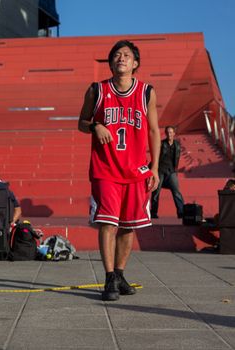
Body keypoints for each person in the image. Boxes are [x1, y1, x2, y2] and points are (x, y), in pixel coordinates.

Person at [78, 40, 160, 301]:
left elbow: (154, 131)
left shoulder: (147, 92)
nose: (120, 58)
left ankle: (121, 273)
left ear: (135, 64)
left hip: (136, 170)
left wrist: (155, 168)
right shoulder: (97, 90)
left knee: (128, 226)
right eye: (116, 55)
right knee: (108, 223)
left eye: (126, 55)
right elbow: (81, 122)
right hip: (106, 169)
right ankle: (109, 277)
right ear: (111, 62)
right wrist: (95, 127)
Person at [150, 126, 185, 218]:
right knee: (156, 192)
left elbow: (176, 159)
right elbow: (155, 157)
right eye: (168, 132)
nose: (169, 134)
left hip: (171, 171)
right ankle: (153, 213)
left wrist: (175, 170)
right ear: (166, 134)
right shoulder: (161, 144)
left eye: (171, 132)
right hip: (160, 171)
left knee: (176, 191)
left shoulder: (177, 145)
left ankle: (181, 212)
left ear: (174, 134)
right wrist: (151, 169)